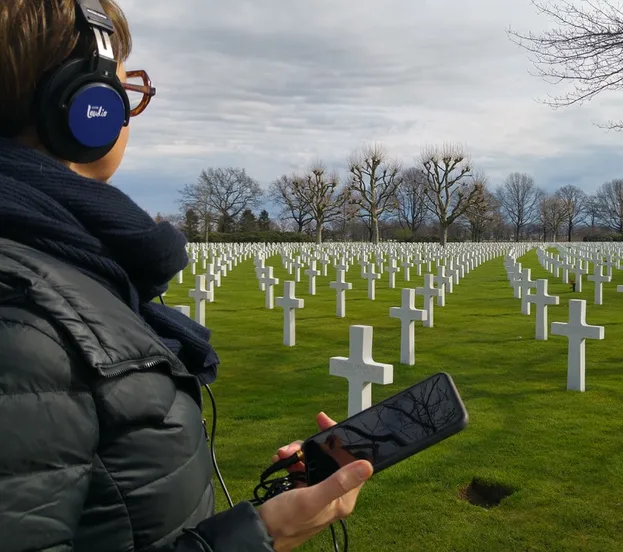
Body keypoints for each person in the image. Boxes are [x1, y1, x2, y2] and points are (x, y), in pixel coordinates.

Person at [0, 1, 373, 551]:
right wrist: (268, 535)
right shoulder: (25, 328)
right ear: (86, 109)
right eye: (127, 94)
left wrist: (260, 528)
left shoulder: (61, 275)